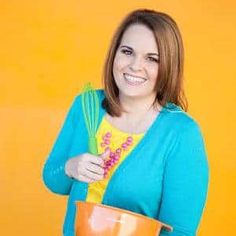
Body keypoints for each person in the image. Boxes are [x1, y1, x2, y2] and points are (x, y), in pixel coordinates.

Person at [42, 9, 209, 236]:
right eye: (127, 51)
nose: (134, 66)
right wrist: (71, 168)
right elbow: (54, 181)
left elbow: (180, 231)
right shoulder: (86, 105)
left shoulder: (181, 134)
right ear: (114, 54)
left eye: (152, 58)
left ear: (169, 66)